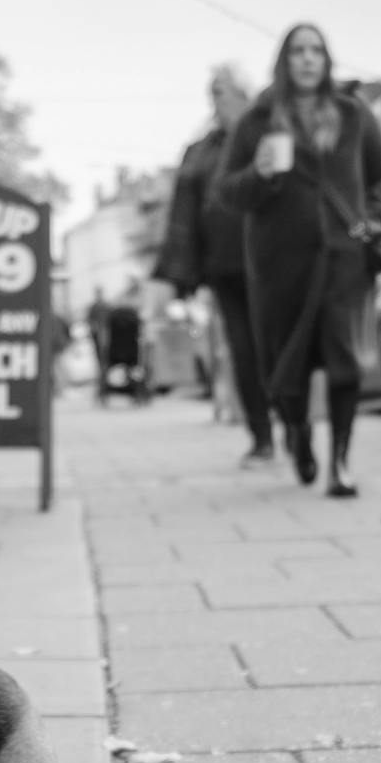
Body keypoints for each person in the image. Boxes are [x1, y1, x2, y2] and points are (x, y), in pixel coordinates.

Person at [214, 23, 381, 498]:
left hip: (343, 259)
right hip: (279, 266)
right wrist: (259, 174)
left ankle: (340, 461)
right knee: (285, 371)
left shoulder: (353, 114)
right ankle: (297, 434)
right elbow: (227, 191)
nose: (308, 59)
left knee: (345, 364)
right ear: (284, 60)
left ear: (327, 59)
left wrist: (377, 220)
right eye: (298, 51)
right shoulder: (257, 120)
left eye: (317, 50)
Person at [153, 65, 272, 465]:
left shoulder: (266, 137)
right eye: (212, 93)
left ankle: (294, 424)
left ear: (242, 93)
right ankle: (262, 436)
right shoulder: (201, 150)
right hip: (225, 267)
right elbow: (183, 215)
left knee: (276, 348)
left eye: (222, 91)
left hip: (272, 263)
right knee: (243, 352)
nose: (216, 100)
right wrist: (180, 272)